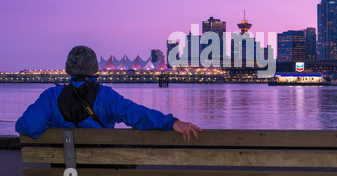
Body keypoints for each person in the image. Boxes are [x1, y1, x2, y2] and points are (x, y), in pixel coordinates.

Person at [15, 45, 202, 142]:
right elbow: (136, 114)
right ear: (94, 68)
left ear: (68, 70)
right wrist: (172, 122)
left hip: (64, 169)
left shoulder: (50, 96)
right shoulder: (106, 95)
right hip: (101, 165)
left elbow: (28, 126)